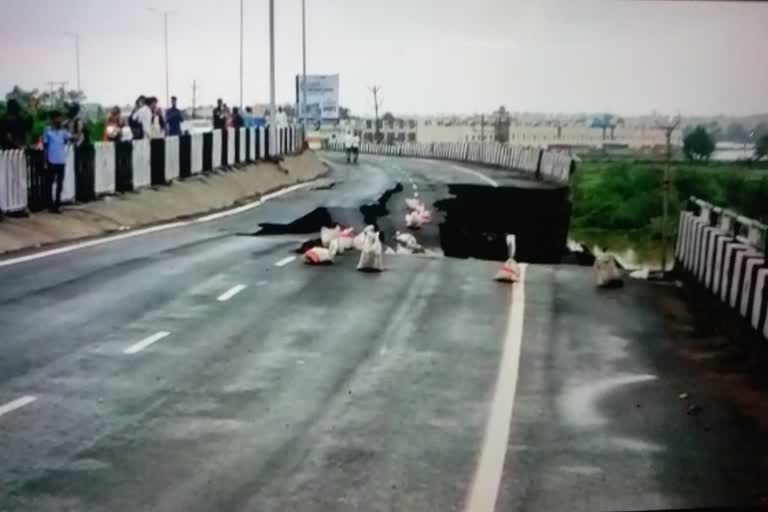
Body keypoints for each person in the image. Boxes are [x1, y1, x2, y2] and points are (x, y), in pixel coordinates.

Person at [42, 110, 70, 213]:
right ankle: (50, 204)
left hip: (61, 160)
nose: (60, 120)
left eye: (60, 118)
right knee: (49, 184)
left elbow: (70, 138)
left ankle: (57, 204)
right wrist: (45, 161)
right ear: (53, 119)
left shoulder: (63, 131)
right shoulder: (47, 131)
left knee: (60, 184)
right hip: (51, 160)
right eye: (58, 118)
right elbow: (45, 147)